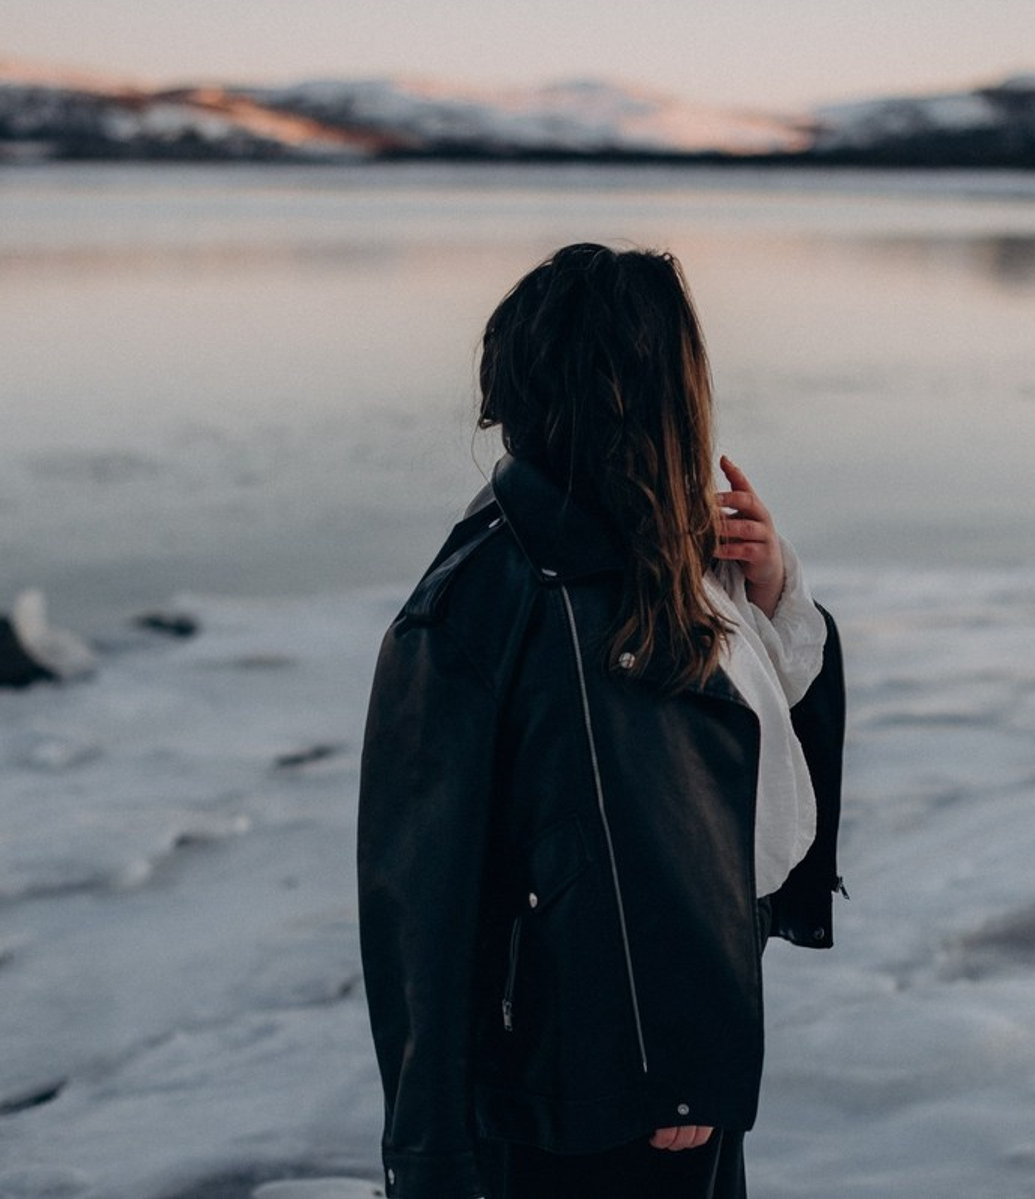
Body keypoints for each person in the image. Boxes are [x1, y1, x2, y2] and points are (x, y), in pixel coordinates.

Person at [357, 243, 846, 1199]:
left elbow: (737, 775)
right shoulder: (496, 602)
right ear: (646, 392)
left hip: (674, 1054)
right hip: (597, 1087)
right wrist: (670, 1069)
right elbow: (428, 906)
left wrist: (770, 590)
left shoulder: (651, 559)